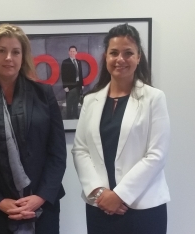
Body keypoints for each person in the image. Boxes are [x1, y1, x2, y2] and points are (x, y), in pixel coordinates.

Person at [0, 24, 67, 234]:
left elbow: (57, 153)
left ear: (23, 56)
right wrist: (0, 201)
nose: (8, 57)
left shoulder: (44, 94)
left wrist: (40, 197)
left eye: (15, 51)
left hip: (42, 205)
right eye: (1, 50)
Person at [72, 23, 170, 234]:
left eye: (128, 53)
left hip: (144, 208)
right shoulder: (90, 101)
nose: (120, 59)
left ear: (138, 57)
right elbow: (80, 150)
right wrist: (99, 193)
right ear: (106, 57)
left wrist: (119, 195)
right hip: (100, 208)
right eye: (114, 53)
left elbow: (157, 154)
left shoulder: (154, 98)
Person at [61, 45, 83, 119]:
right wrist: (65, 86)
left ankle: (75, 116)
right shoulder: (65, 62)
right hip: (69, 86)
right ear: (68, 52)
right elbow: (63, 74)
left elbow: (80, 74)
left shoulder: (79, 62)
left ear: (76, 52)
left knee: (76, 103)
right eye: (71, 51)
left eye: (74, 51)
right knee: (69, 103)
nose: (72, 53)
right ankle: (69, 117)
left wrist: (82, 84)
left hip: (77, 85)